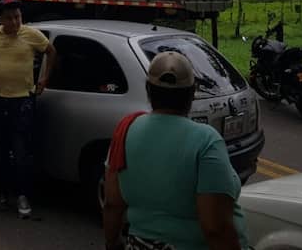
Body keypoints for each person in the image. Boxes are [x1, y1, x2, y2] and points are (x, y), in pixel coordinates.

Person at [103, 52, 249, 250]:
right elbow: (215, 228)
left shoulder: (126, 130)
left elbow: (112, 204)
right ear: (192, 93)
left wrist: (112, 243)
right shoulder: (206, 140)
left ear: (148, 90)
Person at [0, 0, 56, 218]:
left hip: (21, 102)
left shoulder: (31, 35)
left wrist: (45, 78)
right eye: (9, 18)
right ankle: (1, 193)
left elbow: (51, 51)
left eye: (17, 17)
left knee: (21, 152)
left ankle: (22, 196)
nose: (14, 22)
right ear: (0, 19)